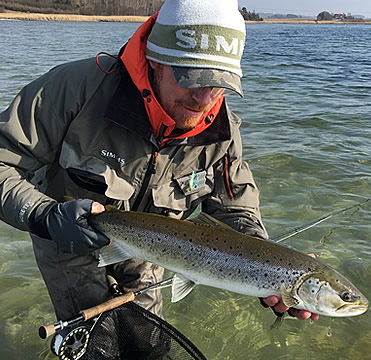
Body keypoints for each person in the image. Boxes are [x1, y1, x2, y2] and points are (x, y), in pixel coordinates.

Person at [0, 0, 317, 325]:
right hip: (66, 238)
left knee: (149, 342)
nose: (205, 100)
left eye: (220, 84)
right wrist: (45, 215)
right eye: (193, 78)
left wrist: (270, 265)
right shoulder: (76, 89)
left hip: (153, 248)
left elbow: (234, 211)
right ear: (155, 60)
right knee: (100, 340)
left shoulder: (222, 130)